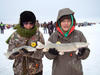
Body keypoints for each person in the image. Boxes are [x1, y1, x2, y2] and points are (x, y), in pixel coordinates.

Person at [45, 8, 90, 75]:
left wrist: (83, 52)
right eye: (63, 21)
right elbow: (47, 54)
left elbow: (86, 52)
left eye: (68, 21)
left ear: (72, 22)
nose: (66, 23)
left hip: (76, 72)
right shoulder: (54, 36)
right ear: (59, 22)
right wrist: (51, 53)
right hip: (59, 72)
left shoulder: (79, 34)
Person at [6, 11, 45, 75]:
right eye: (26, 23)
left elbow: (42, 53)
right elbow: (9, 55)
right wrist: (15, 54)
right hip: (19, 71)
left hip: (36, 71)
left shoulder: (38, 35)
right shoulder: (15, 35)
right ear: (22, 23)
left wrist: (31, 53)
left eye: (31, 23)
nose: (28, 26)